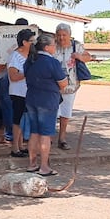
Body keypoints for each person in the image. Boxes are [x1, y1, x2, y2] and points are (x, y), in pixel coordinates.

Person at [24, 34, 68, 176]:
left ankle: (32, 164)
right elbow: (63, 83)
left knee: (34, 132)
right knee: (45, 134)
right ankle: (44, 167)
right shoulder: (52, 62)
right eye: (54, 45)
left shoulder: (29, 61)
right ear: (47, 47)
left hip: (31, 99)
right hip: (48, 100)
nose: (55, 47)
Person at [52, 23, 92, 150]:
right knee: (52, 111)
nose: (61, 38)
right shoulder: (52, 45)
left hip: (71, 85)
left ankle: (62, 138)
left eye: (64, 35)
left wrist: (79, 56)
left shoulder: (76, 46)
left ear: (69, 35)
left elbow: (88, 57)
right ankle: (49, 138)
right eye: (59, 35)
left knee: (66, 112)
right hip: (54, 85)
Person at [7, 28, 34, 158]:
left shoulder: (31, 56)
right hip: (18, 92)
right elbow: (13, 76)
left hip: (28, 92)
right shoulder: (14, 56)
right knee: (17, 120)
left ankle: (21, 145)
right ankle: (15, 147)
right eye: (31, 41)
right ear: (24, 42)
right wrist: (28, 73)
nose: (33, 43)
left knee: (23, 119)